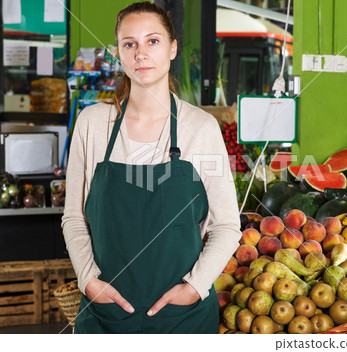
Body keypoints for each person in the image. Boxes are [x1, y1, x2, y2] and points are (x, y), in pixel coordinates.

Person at [61, 1, 241, 334]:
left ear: (172, 49)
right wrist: (88, 279)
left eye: (153, 41)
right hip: (105, 318)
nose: (141, 54)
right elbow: (74, 217)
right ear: (118, 52)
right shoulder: (92, 125)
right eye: (130, 44)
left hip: (182, 320)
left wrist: (195, 287)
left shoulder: (200, 128)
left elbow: (228, 224)